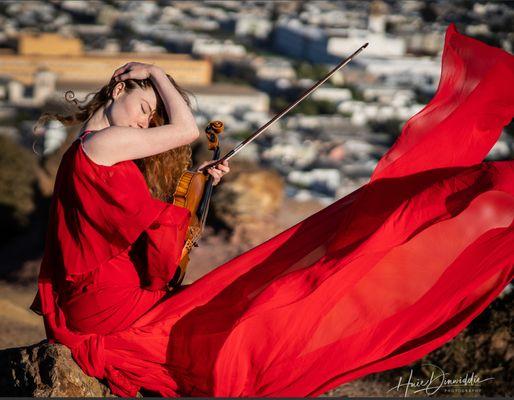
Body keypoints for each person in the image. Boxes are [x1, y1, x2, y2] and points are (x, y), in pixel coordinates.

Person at [31, 23, 513, 397]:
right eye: (141, 106)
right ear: (119, 88)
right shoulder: (108, 142)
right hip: (105, 304)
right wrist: (154, 71)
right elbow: (185, 133)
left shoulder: (89, 147)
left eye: (148, 115)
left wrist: (197, 186)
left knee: (219, 309)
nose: (143, 122)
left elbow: (128, 223)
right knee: (226, 310)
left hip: (90, 299)